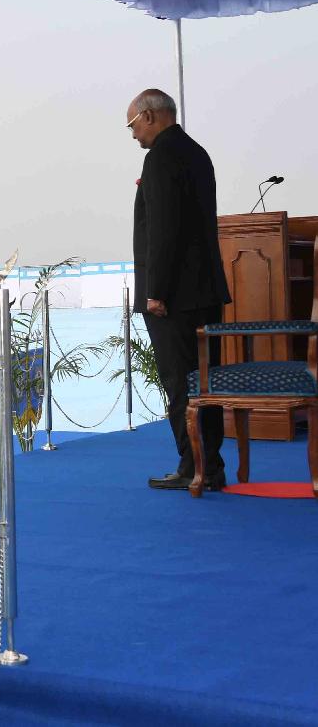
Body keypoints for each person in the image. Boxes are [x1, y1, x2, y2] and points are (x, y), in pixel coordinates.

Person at [127, 88, 230, 491]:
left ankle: (192, 467)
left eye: (133, 124)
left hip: (173, 298)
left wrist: (156, 291)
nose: (133, 133)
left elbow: (163, 230)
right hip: (204, 292)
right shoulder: (197, 153)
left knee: (180, 384)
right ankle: (211, 465)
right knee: (205, 384)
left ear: (150, 116)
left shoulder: (160, 157)